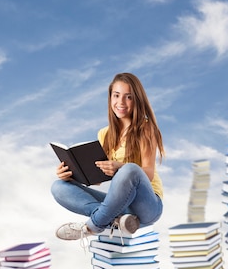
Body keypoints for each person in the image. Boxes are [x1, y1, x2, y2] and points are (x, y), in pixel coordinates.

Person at [51, 72, 164, 241]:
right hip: (121, 206)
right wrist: (71, 174)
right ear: (110, 97)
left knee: (130, 170)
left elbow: (148, 173)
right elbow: (98, 178)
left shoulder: (145, 128)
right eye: (116, 95)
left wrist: (120, 167)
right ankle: (117, 220)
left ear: (137, 100)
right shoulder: (105, 134)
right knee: (58, 187)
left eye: (128, 97)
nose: (121, 102)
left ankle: (91, 226)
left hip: (147, 205)